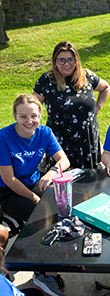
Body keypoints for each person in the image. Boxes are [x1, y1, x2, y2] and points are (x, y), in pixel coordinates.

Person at [33, 41, 110, 170]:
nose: (67, 64)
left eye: (70, 59)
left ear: (76, 60)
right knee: (60, 182)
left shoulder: (87, 76)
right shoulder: (46, 80)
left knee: (90, 182)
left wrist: (97, 108)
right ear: (55, 61)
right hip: (60, 140)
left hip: (87, 139)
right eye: (61, 60)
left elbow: (105, 88)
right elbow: (34, 105)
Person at [0, 94, 70, 222]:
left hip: (33, 181)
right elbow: (9, 179)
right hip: (6, 189)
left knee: (63, 203)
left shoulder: (45, 133)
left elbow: (64, 160)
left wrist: (51, 173)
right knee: (41, 215)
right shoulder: (3, 137)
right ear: (15, 116)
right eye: (23, 117)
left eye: (33, 116)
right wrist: (33, 198)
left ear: (40, 114)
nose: (29, 121)